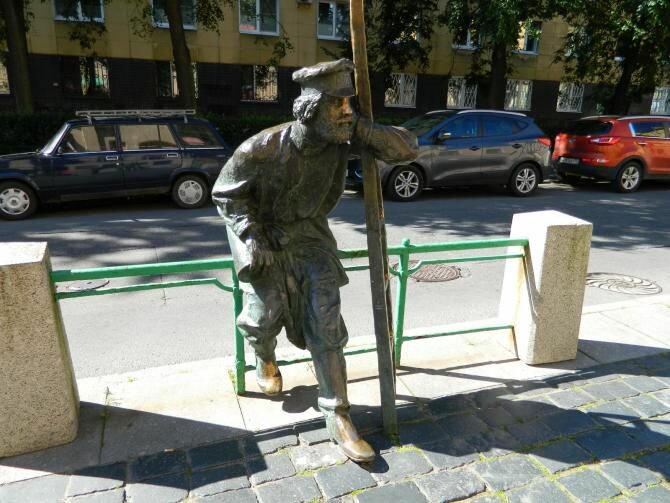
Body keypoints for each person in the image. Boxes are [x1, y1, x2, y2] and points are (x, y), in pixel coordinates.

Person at [212, 58, 417, 462]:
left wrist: (362, 129)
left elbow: (407, 148)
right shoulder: (261, 148)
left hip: (311, 239)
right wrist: (251, 233)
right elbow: (226, 194)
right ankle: (264, 355)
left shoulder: (342, 138)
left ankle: (338, 413)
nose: (347, 112)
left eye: (349, 103)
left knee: (326, 324)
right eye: (337, 104)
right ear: (309, 109)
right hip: (262, 236)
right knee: (263, 316)